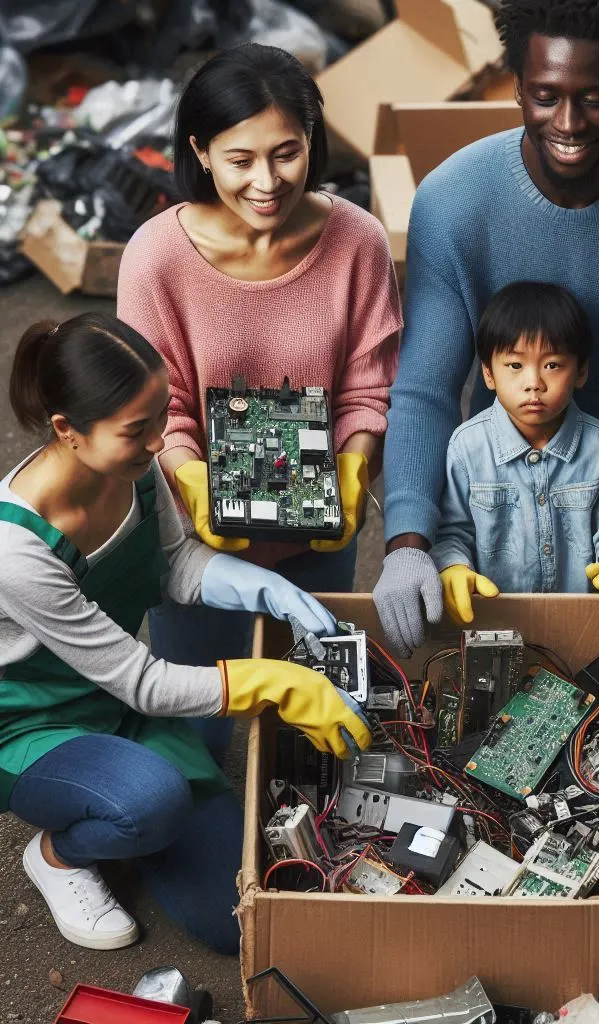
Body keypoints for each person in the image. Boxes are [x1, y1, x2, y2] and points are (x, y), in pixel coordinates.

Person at [0, 313, 370, 954]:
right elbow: (141, 679)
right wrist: (273, 683)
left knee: (238, 921)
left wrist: (270, 588)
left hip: (113, 701)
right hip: (33, 729)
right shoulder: (18, 550)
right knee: (152, 802)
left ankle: (122, 809)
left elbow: (178, 563)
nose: (158, 446)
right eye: (137, 431)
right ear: (68, 430)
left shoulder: (132, 471)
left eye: (159, 420)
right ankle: (59, 853)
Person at [373, 0, 599, 657]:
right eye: (545, 96)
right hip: (493, 505)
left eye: (595, 98)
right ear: (516, 87)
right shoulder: (453, 202)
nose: (568, 123)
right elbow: (424, 390)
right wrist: (406, 542)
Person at [117, 43, 401, 752]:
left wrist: (353, 470)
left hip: (319, 529)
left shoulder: (357, 241)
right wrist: (192, 481)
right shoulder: (156, 256)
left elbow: (369, 387)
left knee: (318, 730)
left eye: (287, 153)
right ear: (201, 153)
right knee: (201, 716)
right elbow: (163, 403)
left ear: (314, 142)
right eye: (240, 160)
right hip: (196, 539)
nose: (267, 181)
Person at [419, 282, 599, 629]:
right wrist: (453, 565)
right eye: (514, 365)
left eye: (553, 365)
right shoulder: (467, 446)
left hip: (582, 623)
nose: (533, 383)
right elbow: (452, 533)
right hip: (490, 624)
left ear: (581, 371)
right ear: (488, 373)